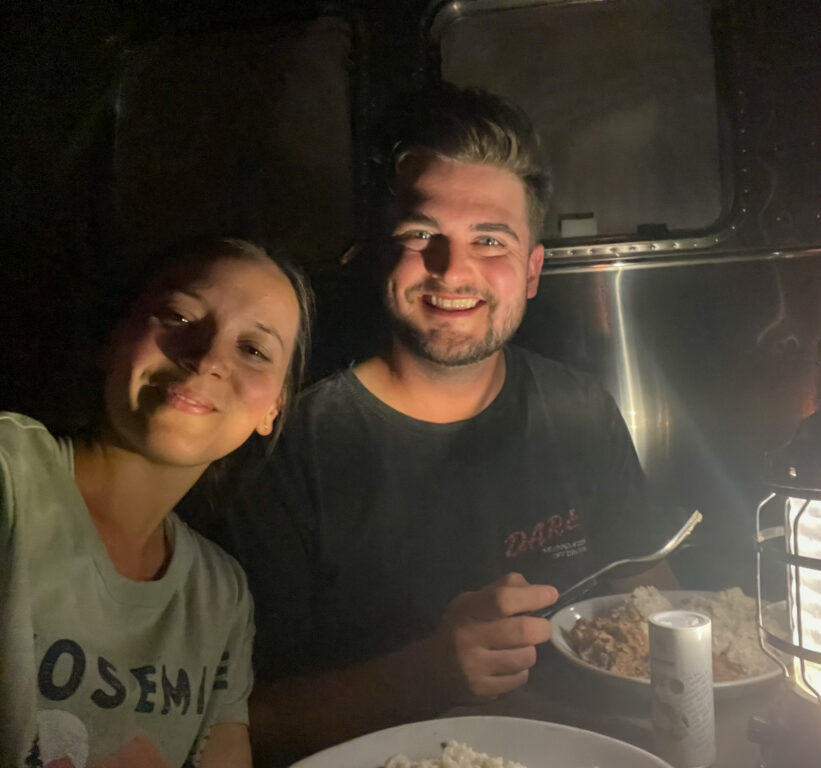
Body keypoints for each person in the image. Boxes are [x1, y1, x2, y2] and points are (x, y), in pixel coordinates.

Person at [188, 85, 677, 763]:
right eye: (422, 236)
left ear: (532, 271)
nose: (454, 270)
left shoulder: (581, 410)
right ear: (382, 254)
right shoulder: (294, 445)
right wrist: (426, 674)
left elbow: (648, 591)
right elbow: (246, 722)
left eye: (491, 240)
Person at [0, 237, 313, 768]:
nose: (209, 358)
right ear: (114, 339)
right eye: (179, 317)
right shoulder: (12, 479)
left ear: (273, 410)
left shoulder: (220, 597)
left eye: (254, 350)